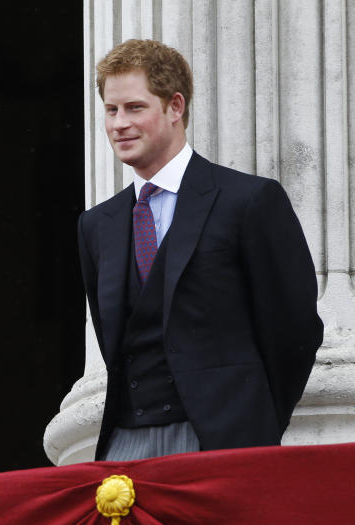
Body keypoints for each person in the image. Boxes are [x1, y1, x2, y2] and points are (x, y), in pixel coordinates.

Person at [79, 39, 323, 461]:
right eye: (111, 110)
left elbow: (295, 330)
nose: (119, 123)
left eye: (135, 107)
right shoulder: (96, 225)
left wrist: (253, 423)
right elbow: (113, 338)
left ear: (175, 107)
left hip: (224, 440)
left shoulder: (248, 200)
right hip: (124, 442)